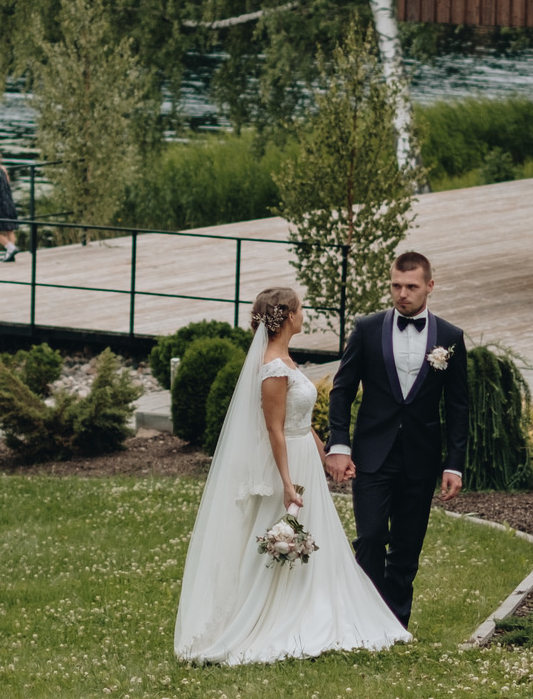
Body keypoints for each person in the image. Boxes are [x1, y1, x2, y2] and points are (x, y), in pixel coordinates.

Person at [174, 287, 410, 663]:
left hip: (303, 457)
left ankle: (315, 602)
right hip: (284, 463)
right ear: (287, 317)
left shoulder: (287, 361)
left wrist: (329, 455)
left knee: (315, 533)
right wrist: (286, 482)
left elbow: (301, 424)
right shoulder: (271, 367)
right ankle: (274, 612)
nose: (304, 315)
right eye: (300, 310)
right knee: (280, 531)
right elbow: (275, 429)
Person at [322, 253, 471, 628]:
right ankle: (366, 620)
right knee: (371, 538)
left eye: (411, 287)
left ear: (429, 287)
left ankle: (395, 625)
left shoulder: (450, 338)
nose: (402, 294)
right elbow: (341, 391)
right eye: (396, 286)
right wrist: (338, 445)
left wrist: (454, 462)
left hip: (420, 458)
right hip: (371, 455)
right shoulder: (368, 329)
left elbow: (458, 406)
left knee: (406, 548)